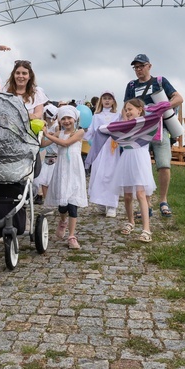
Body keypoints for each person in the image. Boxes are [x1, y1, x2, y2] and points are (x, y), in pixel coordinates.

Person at [124, 54, 184, 219]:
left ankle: (163, 200)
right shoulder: (131, 86)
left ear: (149, 66)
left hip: (160, 128)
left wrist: (163, 106)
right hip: (140, 131)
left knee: (164, 165)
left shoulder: (160, 81)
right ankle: (147, 204)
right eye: (135, 67)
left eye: (141, 66)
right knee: (143, 166)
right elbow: (126, 108)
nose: (138, 70)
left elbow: (179, 98)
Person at [108, 99, 156, 243]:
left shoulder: (146, 124)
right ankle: (131, 222)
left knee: (140, 193)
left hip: (140, 158)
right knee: (127, 195)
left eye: (130, 109)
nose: (128, 112)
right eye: (126, 110)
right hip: (127, 158)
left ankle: (146, 229)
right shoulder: (125, 126)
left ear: (139, 109)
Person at [42, 105, 87, 250]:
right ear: (60, 120)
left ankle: (72, 236)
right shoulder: (58, 133)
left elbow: (66, 143)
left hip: (74, 169)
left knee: (72, 203)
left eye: (69, 118)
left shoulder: (79, 132)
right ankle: (63, 221)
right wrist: (44, 131)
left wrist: (49, 135)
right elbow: (43, 144)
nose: (66, 121)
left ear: (74, 119)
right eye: (63, 119)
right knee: (62, 205)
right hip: (62, 169)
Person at [84, 90, 120, 218]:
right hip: (99, 148)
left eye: (109, 98)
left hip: (112, 147)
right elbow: (90, 132)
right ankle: (100, 201)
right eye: (104, 98)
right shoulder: (96, 116)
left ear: (113, 101)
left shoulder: (118, 115)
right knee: (99, 173)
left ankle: (111, 204)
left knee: (111, 174)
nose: (107, 100)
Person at [33, 103, 59, 204]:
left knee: (52, 182)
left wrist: (49, 136)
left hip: (55, 156)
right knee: (43, 181)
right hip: (46, 156)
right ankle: (47, 202)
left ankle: (53, 202)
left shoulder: (57, 127)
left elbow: (55, 140)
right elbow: (43, 143)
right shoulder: (44, 126)